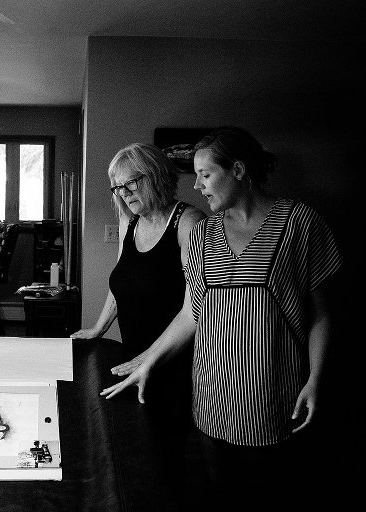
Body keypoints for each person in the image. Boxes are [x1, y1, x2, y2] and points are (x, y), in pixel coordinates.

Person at [101, 127, 342, 511]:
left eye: (205, 174)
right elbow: (190, 314)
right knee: (217, 495)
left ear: (240, 170)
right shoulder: (204, 235)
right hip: (211, 398)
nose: (196, 186)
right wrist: (147, 360)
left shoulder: (300, 223)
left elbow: (322, 314)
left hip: (274, 397)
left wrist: (316, 379)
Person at [71, 142, 205, 493]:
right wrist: (99, 327)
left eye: (132, 182)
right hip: (133, 353)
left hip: (177, 359)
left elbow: (197, 305)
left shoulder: (189, 223)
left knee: (167, 455)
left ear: (157, 176)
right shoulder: (129, 221)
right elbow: (122, 280)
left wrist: (150, 357)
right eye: (117, 186)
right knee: (134, 445)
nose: (124, 193)